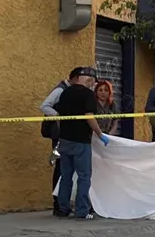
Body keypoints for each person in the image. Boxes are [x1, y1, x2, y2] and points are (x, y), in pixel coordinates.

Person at [54, 67, 110, 220]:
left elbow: (59, 116)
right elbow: (89, 116)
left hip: (65, 140)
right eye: (93, 82)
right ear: (90, 81)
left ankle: (63, 209)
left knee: (65, 176)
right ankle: (81, 211)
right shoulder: (88, 95)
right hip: (81, 141)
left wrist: (62, 133)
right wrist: (100, 134)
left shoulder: (65, 93)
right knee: (84, 176)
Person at [39, 67, 89, 216]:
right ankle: (58, 205)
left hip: (68, 134)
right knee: (61, 169)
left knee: (65, 169)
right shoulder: (61, 90)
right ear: (75, 78)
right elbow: (44, 106)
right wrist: (60, 116)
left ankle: (63, 204)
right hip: (61, 135)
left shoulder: (71, 91)